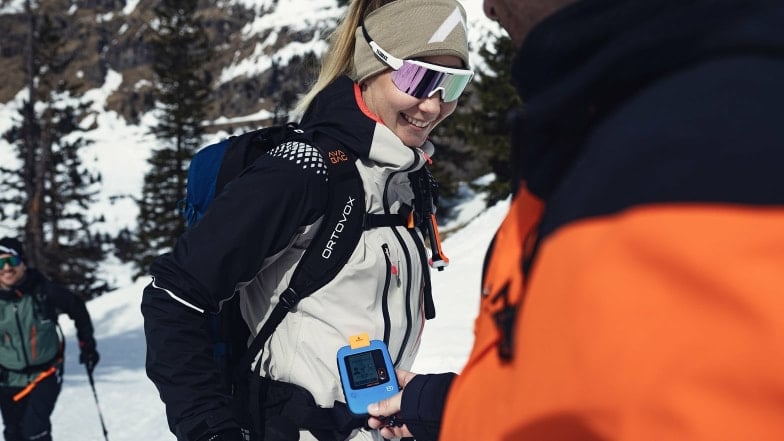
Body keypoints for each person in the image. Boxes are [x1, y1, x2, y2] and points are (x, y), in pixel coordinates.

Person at [366, 0, 784, 440]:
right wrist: (444, 408)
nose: (489, 9)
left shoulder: (709, 144)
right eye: (418, 78)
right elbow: (588, 392)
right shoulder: (598, 127)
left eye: (450, 85)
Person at [140, 0, 474, 440]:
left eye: (452, 84)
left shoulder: (402, 179)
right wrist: (210, 430)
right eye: (419, 78)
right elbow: (173, 295)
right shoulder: (305, 170)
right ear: (371, 64)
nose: (433, 106)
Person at [0, 237, 100, 441]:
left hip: (46, 373)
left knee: (35, 430)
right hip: (8, 378)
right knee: (13, 433)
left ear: (23, 263)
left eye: (12, 261)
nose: (7, 268)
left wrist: (87, 344)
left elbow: (76, 307)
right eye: (1, 263)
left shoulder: (42, 290)